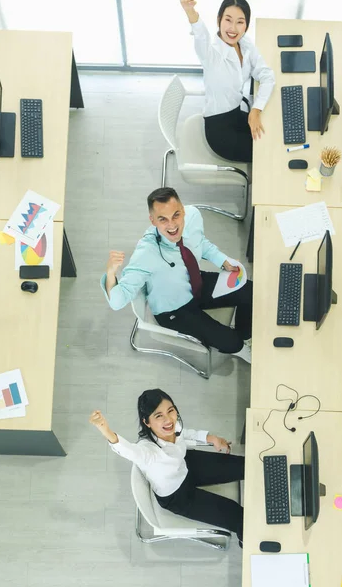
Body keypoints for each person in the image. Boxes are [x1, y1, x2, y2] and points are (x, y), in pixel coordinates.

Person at [101, 187, 252, 363]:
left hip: (194, 283)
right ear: (152, 221)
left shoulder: (193, 216)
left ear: (183, 210)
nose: (172, 225)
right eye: (162, 219)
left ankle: (245, 335)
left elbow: (201, 243)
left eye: (176, 215)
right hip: (173, 309)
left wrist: (222, 260)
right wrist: (111, 272)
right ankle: (240, 345)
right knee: (232, 343)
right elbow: (117, 302)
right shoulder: (146, 253)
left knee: (249, 291)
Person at [89, 388, 244, 545]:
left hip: (185, 464)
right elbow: (127, 450)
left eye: (171, 411)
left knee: (243, 466)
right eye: (158, 416)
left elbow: (186, 433)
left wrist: (212, 438)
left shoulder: (174, 426)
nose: (168, 419)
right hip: (177, 495)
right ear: (146, 422)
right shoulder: (147, 452)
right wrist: (105, 430)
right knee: (237, 516)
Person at [180, 0, 275, 163]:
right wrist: (190, 12)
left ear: (246, 25)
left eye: (240, 22)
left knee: (273, 137)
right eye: (228, 20)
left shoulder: (244, 45)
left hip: (236, 114)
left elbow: (267, 76)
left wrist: (255, 110)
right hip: (219, 130)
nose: (233, 28)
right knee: (265, 154)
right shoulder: (211, 54)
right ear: (219, 20)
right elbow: (201, 37)